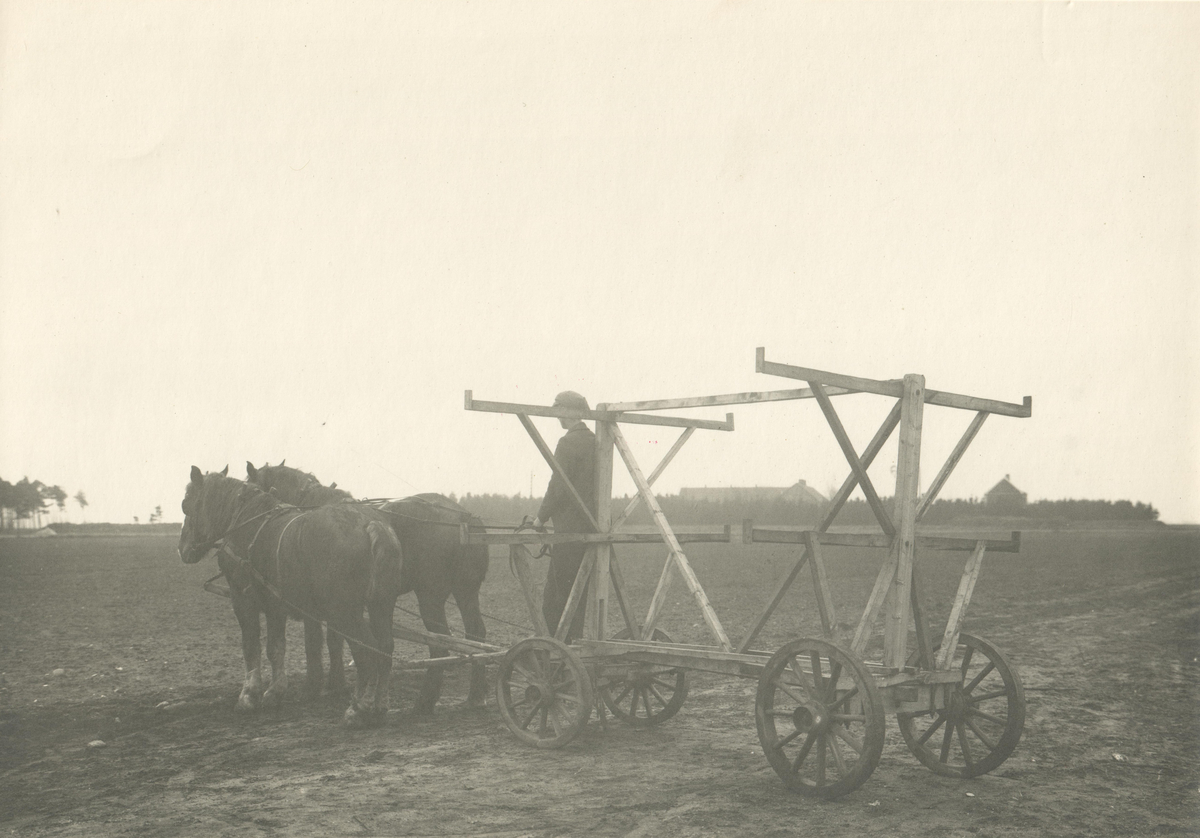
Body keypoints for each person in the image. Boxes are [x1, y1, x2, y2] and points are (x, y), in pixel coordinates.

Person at [532, 390, 596, 641]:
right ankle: (573, 641)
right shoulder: (596, 441)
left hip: (567, 532)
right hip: (592, 529)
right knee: (578, 593)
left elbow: (558, 485)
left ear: (569, 412)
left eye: (559, 410)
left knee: (556, 595)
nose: (557, 416)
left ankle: (555, 647)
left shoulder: (567, 442)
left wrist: (540, 518)